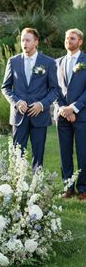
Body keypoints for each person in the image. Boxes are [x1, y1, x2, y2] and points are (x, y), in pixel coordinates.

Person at [1, 27, 58, 171]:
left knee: (38, 155)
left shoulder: (48, 62)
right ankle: (17, 187)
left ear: (36, 42)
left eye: (27, 40)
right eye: (22, 40)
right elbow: (5, 88)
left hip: (39, 115)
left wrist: (42, 104)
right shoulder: (13, 61)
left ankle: (36, 186)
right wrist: (16, 102)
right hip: (19, 116)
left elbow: (54, 90)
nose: (24, 43)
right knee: (17, 154)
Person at [54, 28, 86, 200]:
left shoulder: (85, 61)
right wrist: (62, 109)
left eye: (72, 38)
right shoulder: (57, 62)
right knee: (64, 153)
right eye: (67, 38)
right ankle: (68, 188)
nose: (68, 41)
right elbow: (54, 89)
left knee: (83, 153)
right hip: (62, 116)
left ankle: (83, 188)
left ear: (80, 41)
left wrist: (73, 108)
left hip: (82, 115)